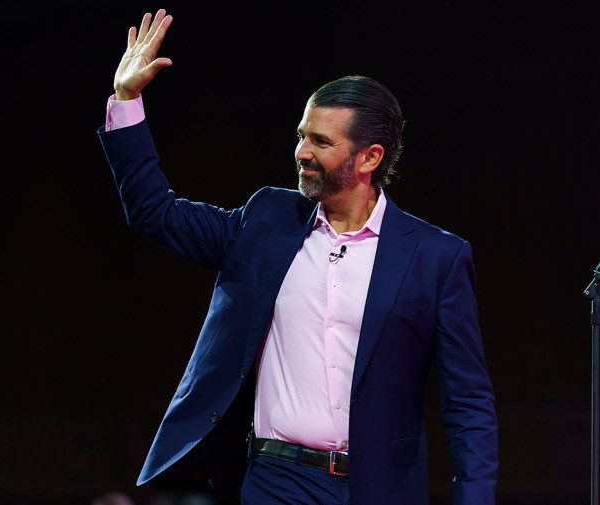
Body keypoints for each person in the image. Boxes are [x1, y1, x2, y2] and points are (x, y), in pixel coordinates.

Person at [97, 9, 498, 505]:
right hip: (274, 478)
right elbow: (154, 213)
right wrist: (127, 100)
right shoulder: (264, 220)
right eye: (301, 135)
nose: (301, 152)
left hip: (378, 489)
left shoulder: (437, 256)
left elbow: (469, 404)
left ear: (369, 157)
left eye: (321, 142)